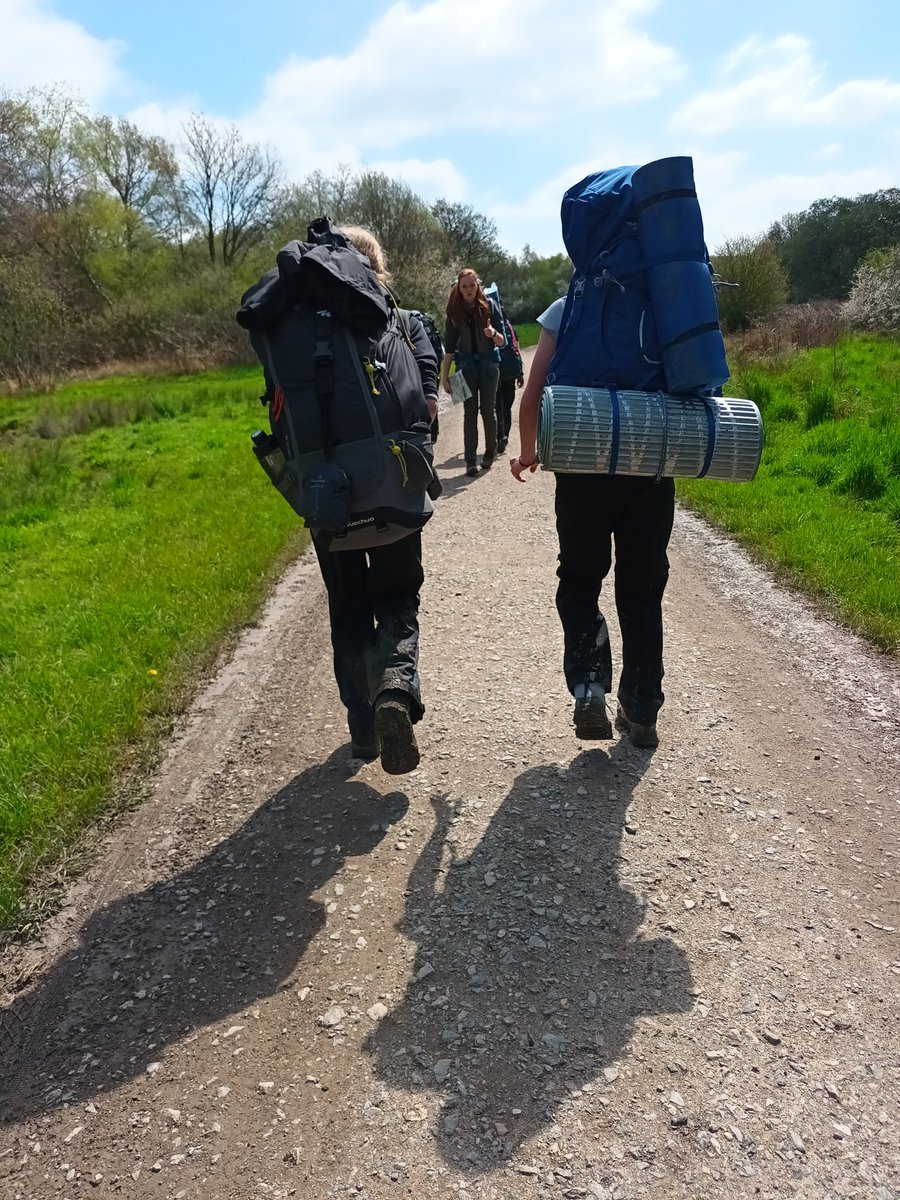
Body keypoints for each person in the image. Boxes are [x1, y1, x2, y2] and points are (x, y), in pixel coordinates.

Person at [511, 296, 674, 749]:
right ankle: (642, 710)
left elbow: (532, 398)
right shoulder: (665, 303)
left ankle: (588, 685)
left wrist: (529, 454)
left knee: (580, 580)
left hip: (583, 470)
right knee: (642, 588)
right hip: (652, 470)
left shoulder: (570, 307)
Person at [313, 225, 439, 774]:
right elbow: (427, 405)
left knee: (347, 607)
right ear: (377, 270)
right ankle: (394, 690)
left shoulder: (305, 334)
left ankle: (363, 728)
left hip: (327, 498)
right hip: (392, 491)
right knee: (398, 595)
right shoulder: (400, 322)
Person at [439, 269, 505, 477]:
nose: (468, 290)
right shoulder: (453, 311)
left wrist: (492, 333)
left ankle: (489, 452)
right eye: (464, 286)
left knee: (488, 411)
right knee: (469, 413)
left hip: (489, 367)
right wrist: (444, 378)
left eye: (471, 285)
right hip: (464, 369)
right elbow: (449, 348)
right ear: (458, 288)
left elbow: (503, 342)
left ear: (477, 286)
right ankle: (470, 460)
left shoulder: (490, 306)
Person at [494, 303, 524, 454]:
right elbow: (516, 349)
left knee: (501, 405)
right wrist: (520, 372)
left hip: (503, 372)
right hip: (505, 373)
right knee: (503, 406)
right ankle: (502, 436)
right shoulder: (505, 327)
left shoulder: (504, 327)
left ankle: (502, 435)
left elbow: (515, 348)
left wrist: (520, 372)